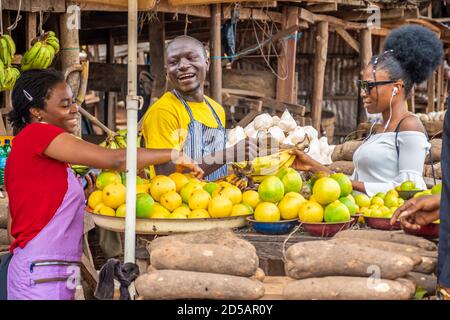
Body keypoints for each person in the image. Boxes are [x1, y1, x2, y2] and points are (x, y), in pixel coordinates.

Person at [1, 68, 203, 300]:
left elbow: (18, 224)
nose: (75, 109)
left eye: (74, 102)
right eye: (65, 104)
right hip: (38, 278)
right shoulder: (37, 134)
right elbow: (115, 159)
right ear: (36, 112)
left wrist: (82, 196)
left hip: (48, 274)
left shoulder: (37, 153)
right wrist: (173, 154)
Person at [291, 25, 443, 196]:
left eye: (369, 86)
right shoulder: (377, 127)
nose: (363, 92)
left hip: (388, 219)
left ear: (396, 88)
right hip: (363, 216)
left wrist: (344, 181)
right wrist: (312, 166)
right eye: (362, 85)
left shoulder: (409, 126)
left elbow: (411, 189)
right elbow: (359, 180)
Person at [142, 35, 256, 181]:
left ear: (207, 63)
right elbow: (165, 176)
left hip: (217, 198)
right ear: (167, 72)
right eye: (174, 62)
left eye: (191, 58)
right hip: (177, 202)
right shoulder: (163, 112)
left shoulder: (216, 109)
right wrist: (228, 154)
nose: (183, 65)